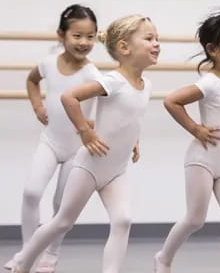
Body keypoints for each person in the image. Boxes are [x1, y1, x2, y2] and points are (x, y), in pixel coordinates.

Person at [11, 14, 160, 273]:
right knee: (63, 221)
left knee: (123, 220)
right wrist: (84, 132)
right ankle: (24, 262)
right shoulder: (112, 81)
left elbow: (130, 116)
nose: (157, 43)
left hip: (117, 169)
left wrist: (134, 141)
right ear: (124, 48)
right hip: (90, 166)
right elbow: (70, 97)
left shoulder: (146, 84)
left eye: (156, 38)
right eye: (149, 38)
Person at [4, 4, 100, 273]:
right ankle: (27, 253)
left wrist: (93, 125)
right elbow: (32, 80)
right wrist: (37, 106)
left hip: (76, 149)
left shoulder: (92, 74)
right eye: (77, 36)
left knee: (61, 205)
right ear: (61, 35)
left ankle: (52, 254)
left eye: (90, 36)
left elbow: (109, 103)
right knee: (32, 192)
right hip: (51, 141)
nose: (84, 42)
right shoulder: (48, 64)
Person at [155, 12, 220, 273]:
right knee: (195, 219)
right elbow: (171, 101)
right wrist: (195, 128)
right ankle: (163, 258)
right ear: (213, 49)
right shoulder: (210, 83)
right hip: (202, 160)